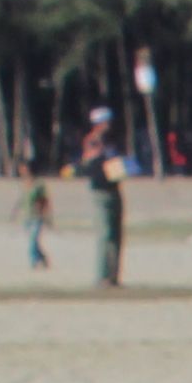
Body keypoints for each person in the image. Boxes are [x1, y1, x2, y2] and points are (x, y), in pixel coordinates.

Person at [75, 106, 129, 288]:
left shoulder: (113, 142)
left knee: (116, 234)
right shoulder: (92, 141)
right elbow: (90, 165)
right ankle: (102, 275)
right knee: (105, 234)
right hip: (100, 191)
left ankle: (114, 276)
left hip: (114, 188)